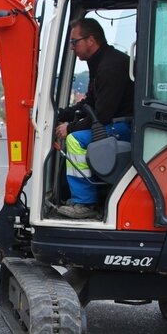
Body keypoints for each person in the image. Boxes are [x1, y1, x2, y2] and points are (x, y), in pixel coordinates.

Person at [55, 18, 134, 219]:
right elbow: (90, 102)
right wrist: (64, 114)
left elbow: (102, 115)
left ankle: (84, 203)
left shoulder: (109, 67)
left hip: (122, 127)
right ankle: (81, 197)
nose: (72, 47)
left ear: (90, 40)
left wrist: (70, 128)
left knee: (74, 140)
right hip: (116, 122)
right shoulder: (101, 62)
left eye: (75, 42)